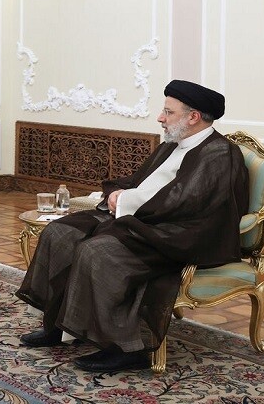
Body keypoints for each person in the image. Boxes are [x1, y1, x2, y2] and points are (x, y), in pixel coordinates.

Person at [15, 80, 249, 373]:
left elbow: (184, 202)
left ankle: (125, 348)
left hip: (178, 232)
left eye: (168, 112)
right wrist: (117, 194)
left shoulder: (219, 153)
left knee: (98, 251)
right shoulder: (172, 145)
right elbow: (140, 181)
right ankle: (58, 325)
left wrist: (125, 201)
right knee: (59, 232)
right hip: (142, 217)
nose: (161, 118)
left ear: (193, 117)